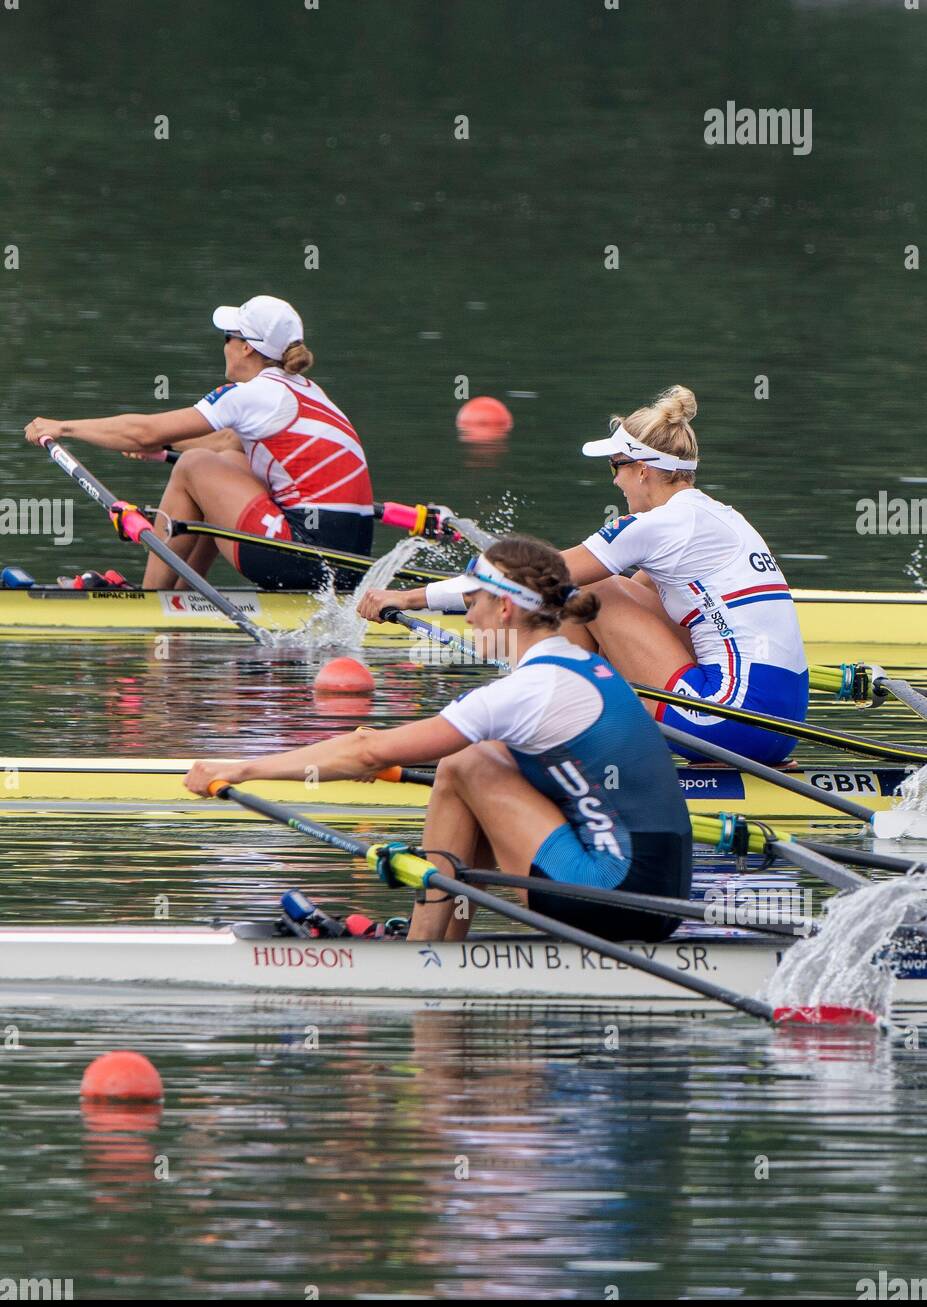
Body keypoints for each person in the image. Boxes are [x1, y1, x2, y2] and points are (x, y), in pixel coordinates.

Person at [184, 536, 693, 943]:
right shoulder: (586, 667)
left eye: (473, 601)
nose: (468, 616)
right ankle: (436, 940)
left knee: (467, 765)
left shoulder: (530, 689)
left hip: (616, 895)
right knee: (477, 760)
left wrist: (242, 770)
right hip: (658, 895)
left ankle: (426, 948)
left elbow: (366, 751)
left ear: (505, 611)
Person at [357, 386, 809, 765]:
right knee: (622, 590)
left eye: (616, 468)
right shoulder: (724, 517)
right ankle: (572, 729)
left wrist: (412, 598)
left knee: (590, 588)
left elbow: (533, 576)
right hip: (779, 729)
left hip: (723, 720)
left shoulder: (657, 525)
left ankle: (552, 739)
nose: (615, 482)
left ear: (643, 469)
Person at [24, 295, 373, 591]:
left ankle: (152, 598)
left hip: (307, 558)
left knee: (195, 467)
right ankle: (184, 597)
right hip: (347, 564)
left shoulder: (253, 394)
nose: (225, 347)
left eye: (227, 338)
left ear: (246, 346)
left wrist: (63, 428)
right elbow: (226, 441)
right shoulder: (306, 392)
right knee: (225, 461)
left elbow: (143, 431)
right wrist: (163, 450)